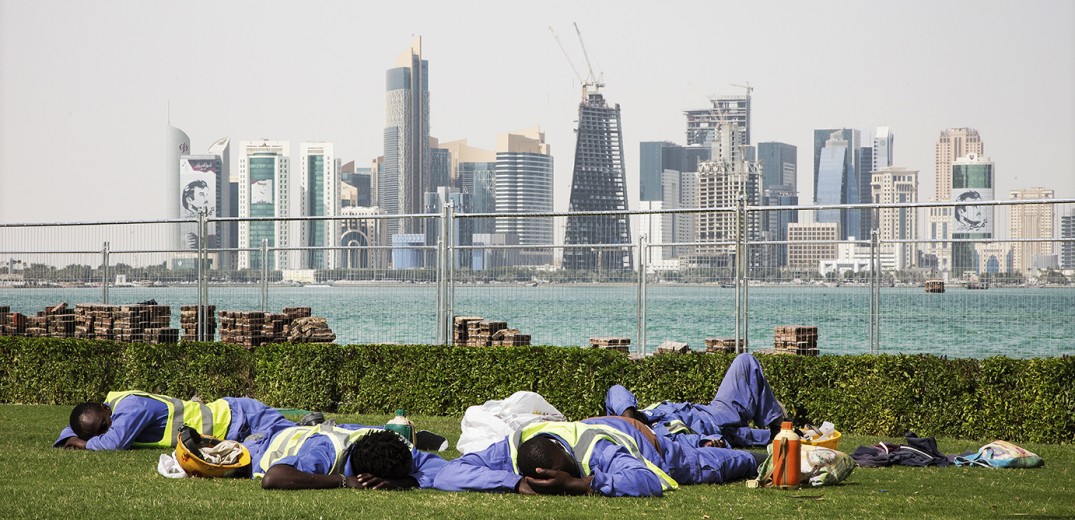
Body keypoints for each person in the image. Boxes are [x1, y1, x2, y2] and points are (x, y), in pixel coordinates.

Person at [432, 415, 757, 497]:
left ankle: (763, 450)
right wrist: (515, 483)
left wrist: (578, 484)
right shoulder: (516, 447)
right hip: (618, 425)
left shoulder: (595, 450)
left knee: (737, 461)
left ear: (564, 450)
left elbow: (646, 480)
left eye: (568, 468)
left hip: (656, 447)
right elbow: (448, 473)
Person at [604, 352, 787, 449]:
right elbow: (685, 446)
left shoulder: (644, 413)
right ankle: (782, 429)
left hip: (717, 410)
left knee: (745, 361)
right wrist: (707, 442)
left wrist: (629, 421)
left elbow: (616, 391)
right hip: (721, 432)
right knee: (774, 438)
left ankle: (777, 422)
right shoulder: (655, 438)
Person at [55, 390, 295, 450]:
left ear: (103, 408)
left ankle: (327, 428)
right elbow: (72, 428)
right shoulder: (108, 408)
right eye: (98, 433)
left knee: (298, 438)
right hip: (233, 427)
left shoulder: (130, 408)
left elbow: (114, 444)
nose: (108, 430)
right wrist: (70, 437)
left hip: (240, 418)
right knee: (289, 440)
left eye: (104, 426)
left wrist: (85, 443)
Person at [251, 422, 446, 490]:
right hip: (263, 444)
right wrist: (343, 481)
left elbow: (442, 470)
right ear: (368, 475)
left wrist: (404, 483)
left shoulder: (396, 449)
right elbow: (273, 478)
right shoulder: (325, 455)